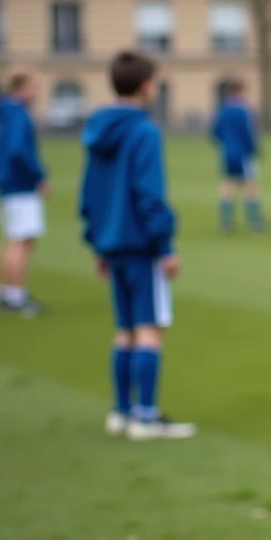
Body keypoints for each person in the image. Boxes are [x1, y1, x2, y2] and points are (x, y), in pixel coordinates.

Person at [80, 51, 196, 442]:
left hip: (112, 243)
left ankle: (121, 411)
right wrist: (165, 245)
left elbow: (89, 194)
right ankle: (145, 417)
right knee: (148, 329)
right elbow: (149, 194)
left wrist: (97, 243)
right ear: (147, 85)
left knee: (124, 329)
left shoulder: (98, 129)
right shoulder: (144, 131)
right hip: (141, 243)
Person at [0, 71, 49, 317]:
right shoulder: (19, 114)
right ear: (20, 88)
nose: (37, 93)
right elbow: (18, 150)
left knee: (14, 239)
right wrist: (38, 176)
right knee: (21, 240)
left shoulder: (8, 112)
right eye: (33, 87)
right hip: (20, 184)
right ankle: (16, 296)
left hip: (8, 182)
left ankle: (6, 292)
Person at [211, 79, 266, 234]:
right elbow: (248, 133)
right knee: (251, 187)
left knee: (228, 185)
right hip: (243, 154)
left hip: (227, 153)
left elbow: (215, 131)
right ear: (241, 92)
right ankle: (255, 223)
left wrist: (227, 144)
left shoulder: (223, 109)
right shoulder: (243, 110)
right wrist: (254, 149)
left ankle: (226, 223)